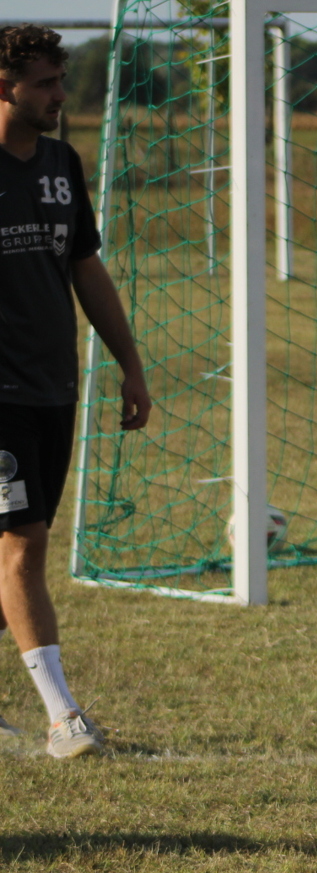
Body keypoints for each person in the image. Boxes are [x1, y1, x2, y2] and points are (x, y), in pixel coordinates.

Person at [0, 25, 150, 758]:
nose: (61, 95)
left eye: (61, 80)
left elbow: (85, 268)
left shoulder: (62, 163)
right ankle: (64, 718)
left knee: (18, 549)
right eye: (46, 83)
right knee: (22, 545)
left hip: (54, 384)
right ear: (4, 87)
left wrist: (130, 363)